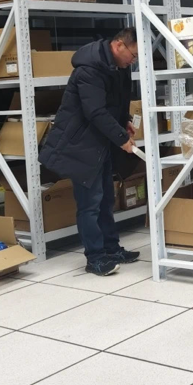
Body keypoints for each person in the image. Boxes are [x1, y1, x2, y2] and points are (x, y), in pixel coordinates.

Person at [39, 28, 141, 276]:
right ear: (119, 45)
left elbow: (117, 101)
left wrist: (125, 121)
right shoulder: (89, 69)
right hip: (81, 144)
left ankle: (111, 249)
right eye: (133, 55)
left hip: (100, 143)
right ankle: (94, 258)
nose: (134, 60)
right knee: (90, 203)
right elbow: (95, 111)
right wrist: (121, 139)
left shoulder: (119, 67)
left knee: (106, 199)